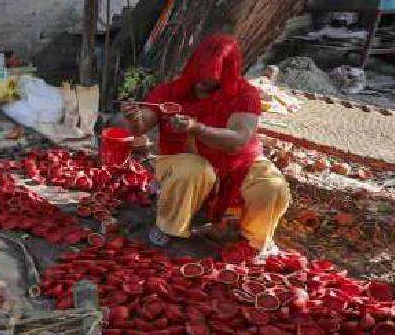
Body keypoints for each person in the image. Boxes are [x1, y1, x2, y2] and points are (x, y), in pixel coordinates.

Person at [122, 34, 291, 255]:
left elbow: (238, 141)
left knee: (271, 187)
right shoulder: (170, 91)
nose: (202, 80)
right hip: (183, 158)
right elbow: (139, 127)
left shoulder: (245, 95)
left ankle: (255, 239)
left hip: (239, 161)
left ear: (227, 72)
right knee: (194, 170)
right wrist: (134, 117)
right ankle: (170, 226)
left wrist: (197, 129)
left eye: (211, 76)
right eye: (199, 71)